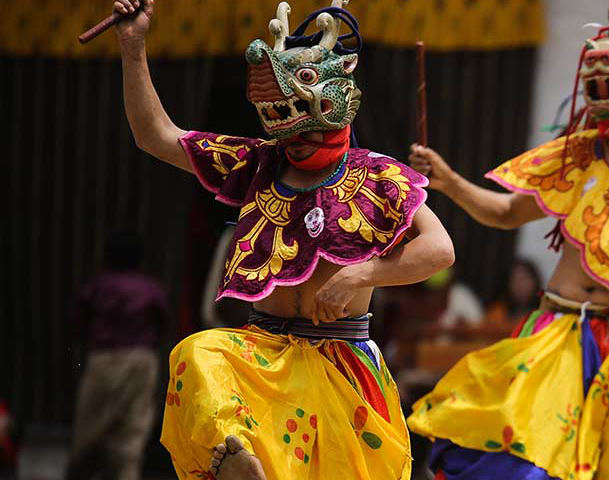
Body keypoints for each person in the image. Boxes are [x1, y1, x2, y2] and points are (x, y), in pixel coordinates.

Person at [111, 0, 455, 478]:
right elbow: (155, 135)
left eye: (307, 125)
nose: (296, 139)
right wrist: (133, 46)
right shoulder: (257, 164)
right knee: (198, 352)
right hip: (262, 358)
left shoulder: (378, 175)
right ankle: (234, 456)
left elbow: (439, 249)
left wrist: (363, 271)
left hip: (341, 363)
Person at [406, 4, 609, 478]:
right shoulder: (575, 156)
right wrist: (450, 181)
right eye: (601, 84)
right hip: (558, 329)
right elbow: (504, 213)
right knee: (528, 462)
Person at [65, 231, 166, 480]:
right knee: (133, 427)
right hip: (143, 361)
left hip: (104, 360)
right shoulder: (150, 289)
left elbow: (77, 323)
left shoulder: (97, 286)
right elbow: (163, 322)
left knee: (90, 426)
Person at [483, 259, 545, 328]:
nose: (520, 285)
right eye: (515, 280)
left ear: (535, 281)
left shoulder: (545, 312)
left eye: (524, 279)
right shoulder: (497, 313)